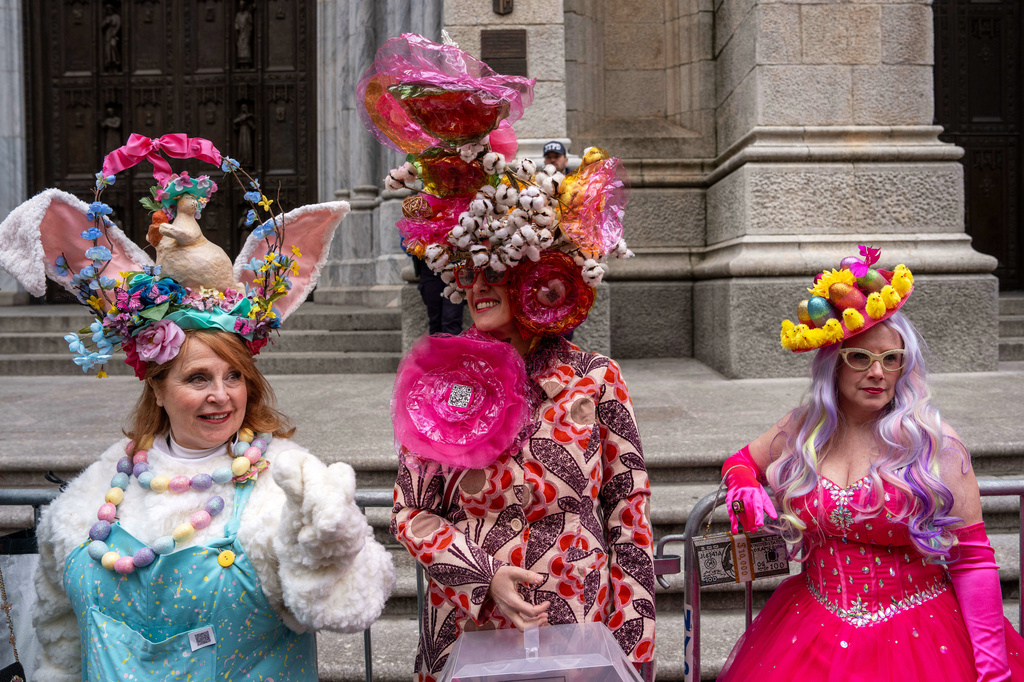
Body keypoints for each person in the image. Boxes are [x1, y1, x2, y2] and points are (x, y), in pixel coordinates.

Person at [0, 134, 396, 681]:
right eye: (198, 378)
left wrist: (329, 534)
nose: (221, 394)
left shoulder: (282, 481)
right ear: (157, 388)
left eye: (235, 376)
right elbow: (61, 634)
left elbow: (351, 602)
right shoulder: (92, 497)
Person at [359, 34, 653, 682]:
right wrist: (482, 572)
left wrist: (635, 657)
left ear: (542, 272)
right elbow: (410, 512)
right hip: (468, 634)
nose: (478, 281)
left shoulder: (597, 379)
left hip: (578, 634)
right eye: (468, 267)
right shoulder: (443, 381)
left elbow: (629, 528)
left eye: (499, 263)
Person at [717, 247, 1024, 681]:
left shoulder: (935, 442)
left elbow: (973, 560)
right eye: (859, 358)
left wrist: (994, 671)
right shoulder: (804, 427)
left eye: (890, 359)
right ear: (833, 367)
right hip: (811, 626)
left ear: (904, 366)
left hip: (920, 635)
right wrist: (743, 483)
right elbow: (741, 460)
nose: (877, 373)